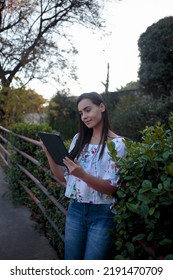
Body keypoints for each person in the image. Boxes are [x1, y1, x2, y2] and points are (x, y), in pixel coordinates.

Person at [42, 92, 126, 260]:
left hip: (103, 214)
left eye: (88, 110)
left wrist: (83, 175)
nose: (84, 117)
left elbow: (112, 188)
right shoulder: (78, 139)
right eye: (81, 113)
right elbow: (63, 178)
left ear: (102, 106)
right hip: (76, 210)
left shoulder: (118, 145)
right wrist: (49, 154)